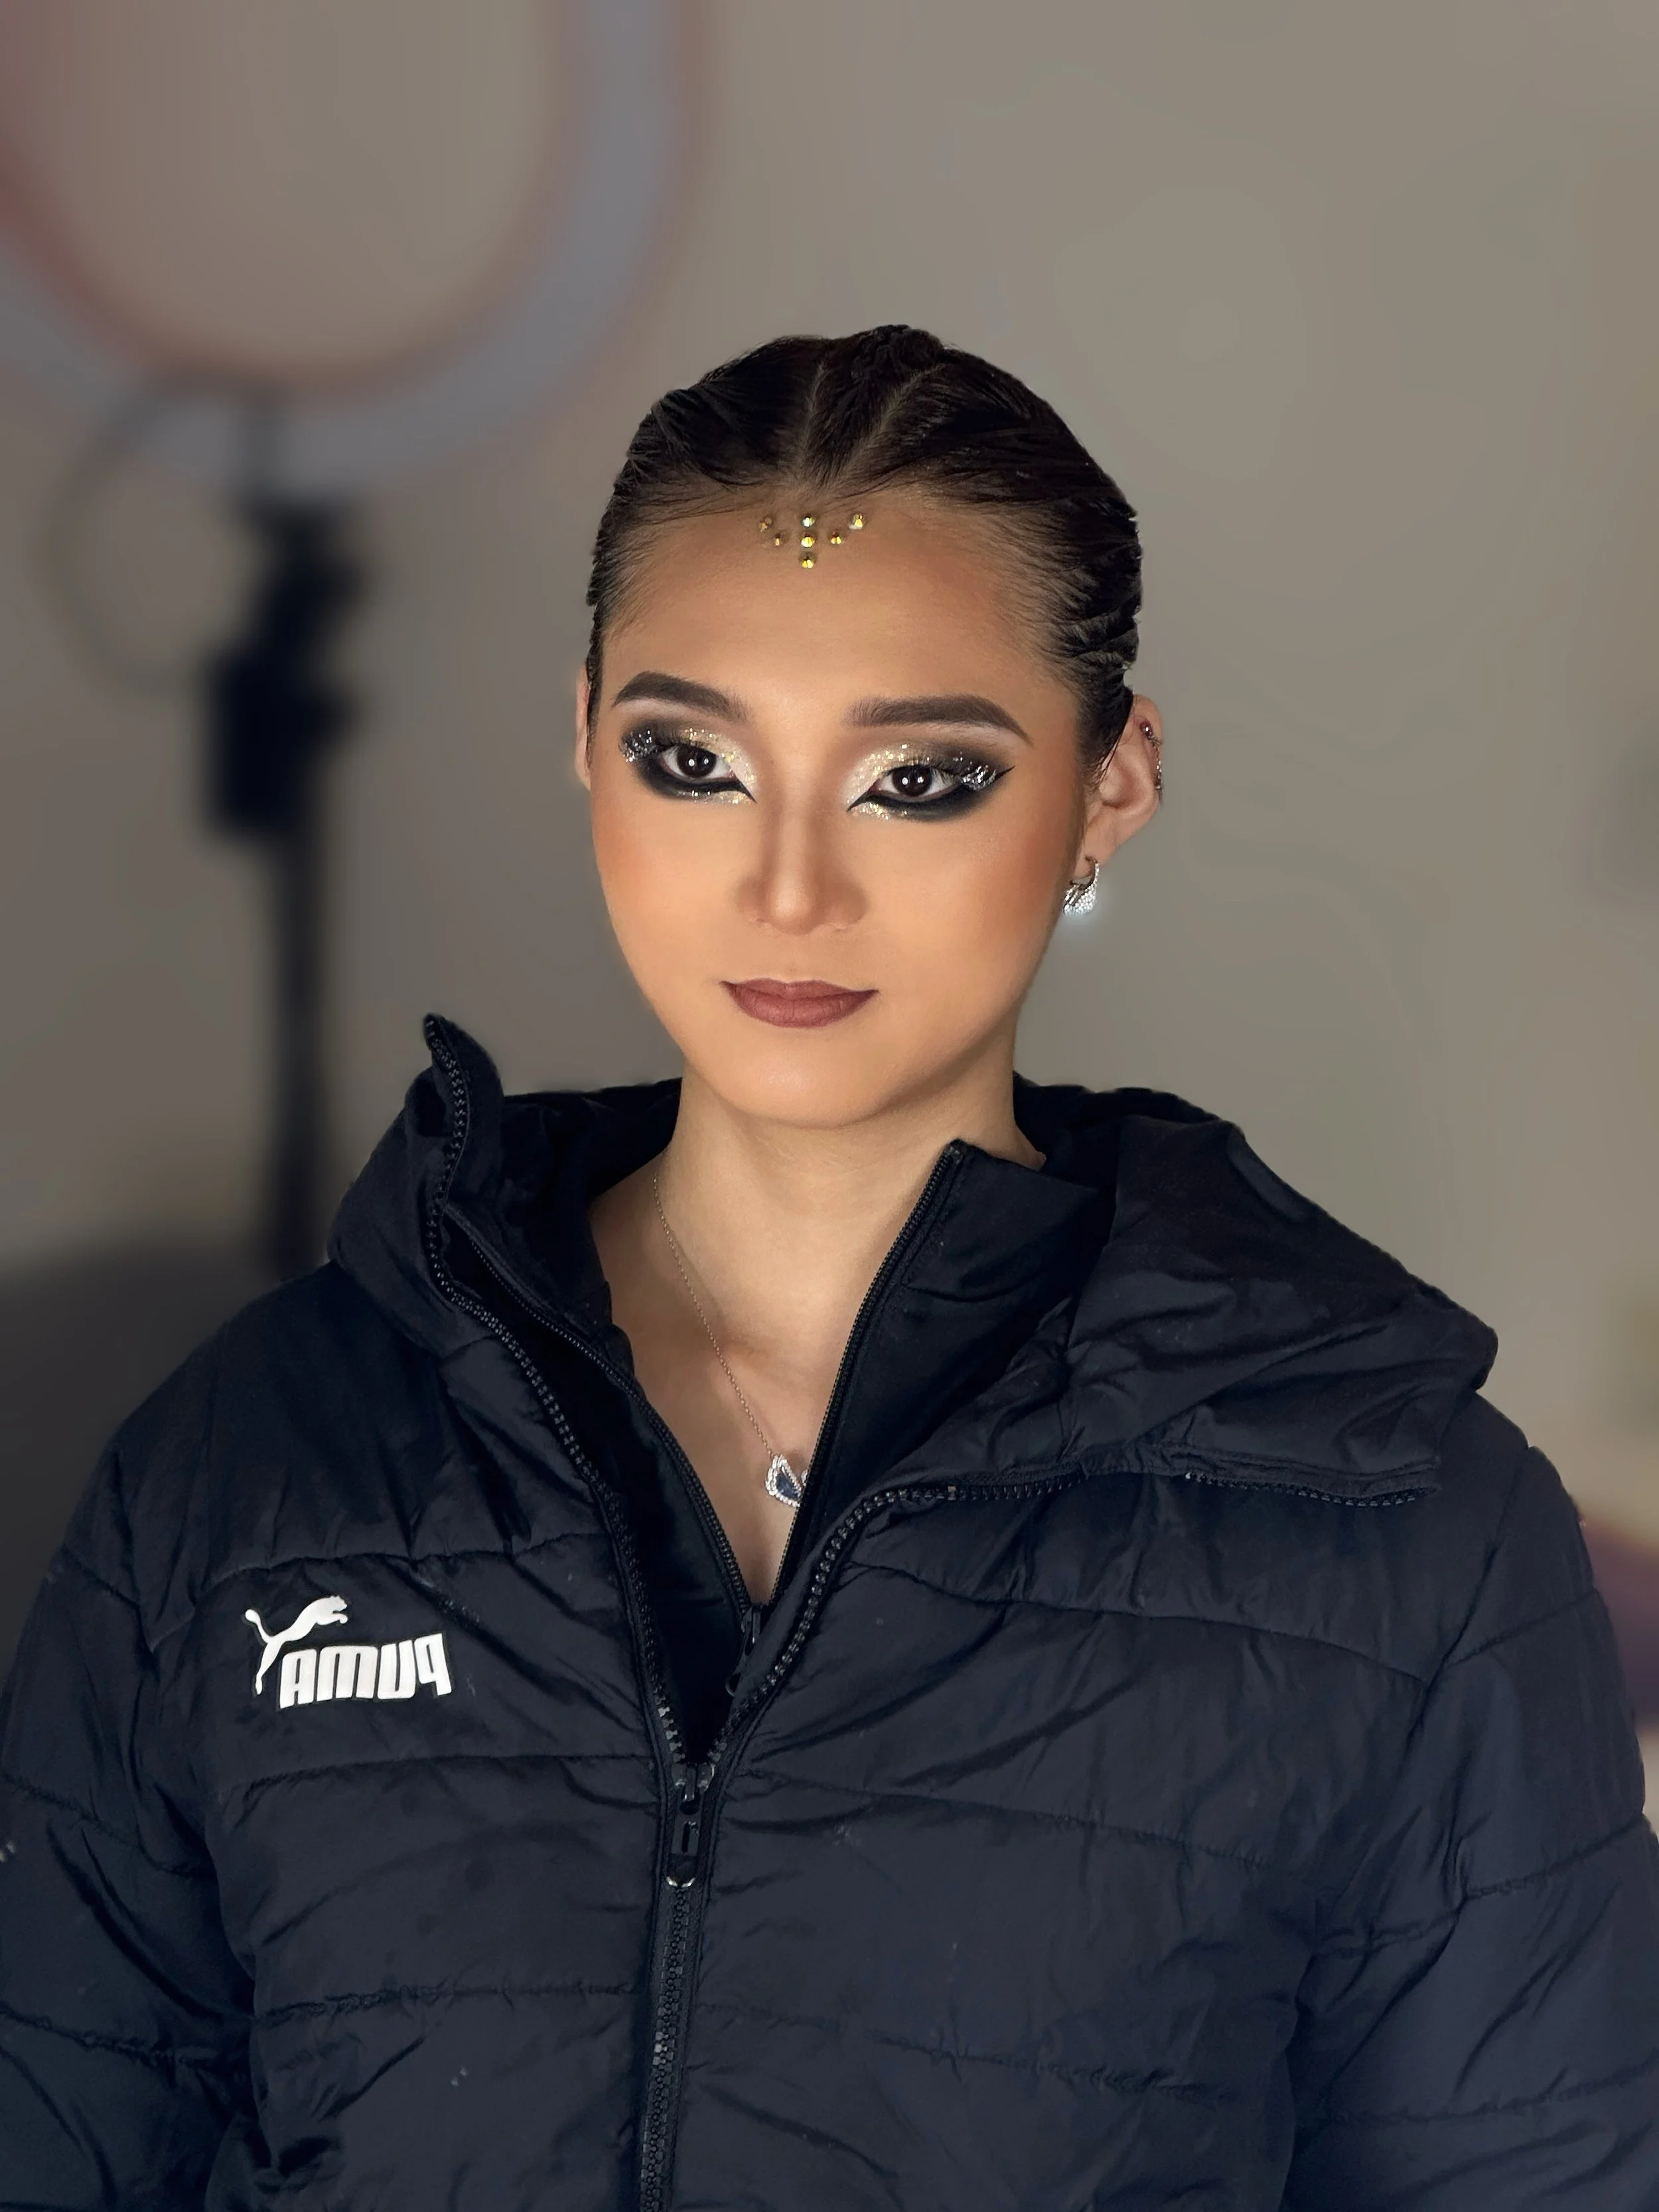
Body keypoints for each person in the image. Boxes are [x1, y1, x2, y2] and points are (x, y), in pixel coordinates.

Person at [1, 326, 1655, 2211]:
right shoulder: (249, 1471)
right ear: (584, 738)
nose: (786, 887)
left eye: (920, 779)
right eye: (690, 757)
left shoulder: (1407, 1537)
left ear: (1111, 783)